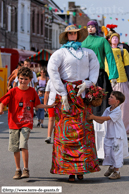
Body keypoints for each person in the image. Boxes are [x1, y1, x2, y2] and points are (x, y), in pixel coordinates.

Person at [47, 25, 101, 182]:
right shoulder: (60, 53)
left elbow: (95, 68)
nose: (72, 35)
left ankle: (81, 170)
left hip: (81, 94)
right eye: (70, 33)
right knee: (65, 133)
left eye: (75, 33)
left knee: (84, 132)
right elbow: (52, 70)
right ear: (66, 35)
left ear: (78, 35)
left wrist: (89, 83)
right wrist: (61, 91)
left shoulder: (87, 53)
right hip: (66, 93)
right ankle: (69, 170)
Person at [0, 67, 55, 179]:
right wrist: (1, 109)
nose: (23, 81)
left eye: (25, 79)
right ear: (18, 78)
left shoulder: (32, 91)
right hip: (13, 123)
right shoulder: (13, 91)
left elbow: (37, 105)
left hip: (26, 123)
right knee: (15, 148)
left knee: (23, 145)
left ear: (30, 80)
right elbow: (3, 102)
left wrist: (48, 106)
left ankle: (26, 169)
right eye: (21, 79)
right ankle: (18, 170)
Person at [81, 20, 118, 159]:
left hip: (101, 76)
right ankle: (88, 147)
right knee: (86, 108)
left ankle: (103, 151)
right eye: (88, 26)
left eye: (93, 26)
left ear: (96, 28)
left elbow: (109, 56)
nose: (90, 28)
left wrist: (113, 75)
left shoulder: (102, 41)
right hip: (86, 77)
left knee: (102, 108)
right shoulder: (83, 42)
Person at [87, 91, 129, 179]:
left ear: (117, 101)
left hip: (117, 137)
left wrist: (93, 117)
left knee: (116, 153)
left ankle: (116, 172)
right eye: (110, 96)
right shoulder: (107, 109)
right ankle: (112, 167)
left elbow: (107, 118)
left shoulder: (117, 111)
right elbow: (102, 120)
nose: (109, 98)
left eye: (111, 97)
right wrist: (92, 118)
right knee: (108, 153)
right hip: (109, 135)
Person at [105, 33, 129, 134]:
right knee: (116, 104)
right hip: (113, 81)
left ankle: (124, 128)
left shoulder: (123, 51)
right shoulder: (107, 51)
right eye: (113, 38)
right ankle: (116, 128)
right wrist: (110, 78)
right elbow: (106, 67)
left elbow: (127, 66)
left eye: (116, 38)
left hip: (123, 80)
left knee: (125, 104)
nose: (115, 39)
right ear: (110, 40)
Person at [44, 79, 56, 143]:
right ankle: (49, 136)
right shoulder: (50, 80)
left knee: (60, 120)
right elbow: (46, 92)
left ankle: (59, 136)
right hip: (51, 103)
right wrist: (45, 104)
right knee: (51, 119)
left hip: (61, 104)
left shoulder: (63, 79)